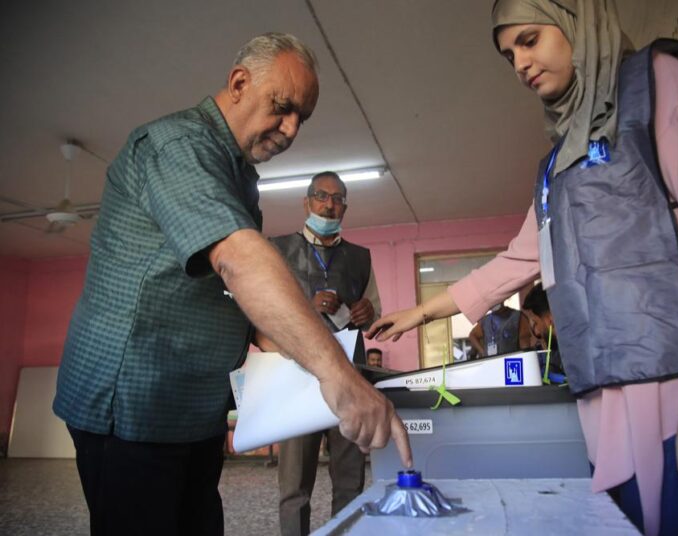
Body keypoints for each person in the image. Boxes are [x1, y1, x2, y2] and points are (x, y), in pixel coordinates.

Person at [367, 2, 678, 534]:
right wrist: (422, 312)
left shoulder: (666, 84)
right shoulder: (556, 163)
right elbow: (521, 258)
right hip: (602, 394)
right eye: (509, 56)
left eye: (529, 40)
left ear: (577, 21)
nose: (521, 63)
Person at [53, 33, 411, 536]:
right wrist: (338, 376)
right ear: (239, 83)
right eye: (282, 107)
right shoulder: (178, 146)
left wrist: (284, 347)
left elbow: (222, 294)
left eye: (301, 118)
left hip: (193, 410)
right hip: (134, 406)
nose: (289, 129)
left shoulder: (240, 176)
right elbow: (239, 263)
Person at [266, 171, 381, 536]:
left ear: (345, 206)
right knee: (294, 488)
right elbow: (263, 312)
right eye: (322, 196)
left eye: (338, 198)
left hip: (349, 380)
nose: (329, 205)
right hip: (298, 381)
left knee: (349, 481)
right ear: (306, 202)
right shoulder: (278, 250)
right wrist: (306, 305)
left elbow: (374, 310)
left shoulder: (360, 258)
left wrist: (367, 312)